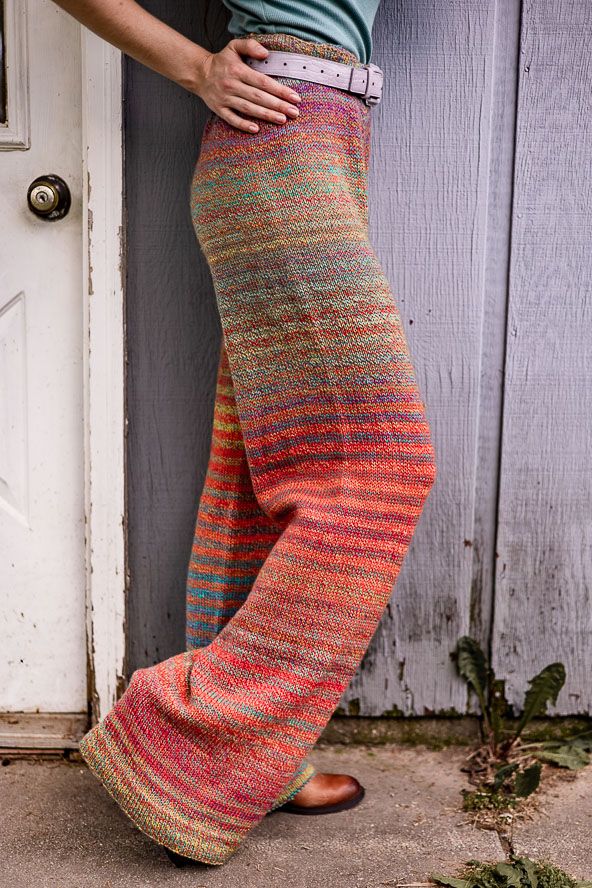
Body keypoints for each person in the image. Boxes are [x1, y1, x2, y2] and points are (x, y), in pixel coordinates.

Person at [51, 0, 437, 867]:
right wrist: (195, 66)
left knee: (256, 473)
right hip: (281, 134)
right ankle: (180, 732)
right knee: (383, 468)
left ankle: (245, 764)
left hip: (327, 140)